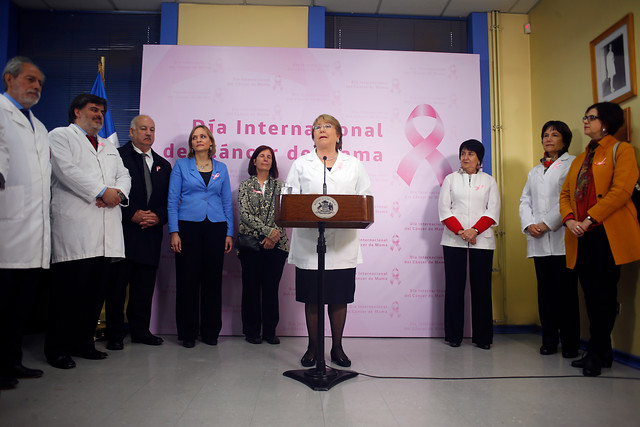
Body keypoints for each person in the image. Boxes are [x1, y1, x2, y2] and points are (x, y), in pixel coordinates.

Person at [45, 94, 131, 369]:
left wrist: (116, 194)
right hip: (75, 231)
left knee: (95, 296)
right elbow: (65, 171)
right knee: (68, 296)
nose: (99, 115)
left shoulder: (107, 145)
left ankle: (84, 343)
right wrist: (101, 191)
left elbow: (124, 175)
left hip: (106, 233)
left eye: (102, 111)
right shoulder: (59, 136)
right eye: (93, 110)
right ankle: (58, 349)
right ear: (76, 112)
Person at [560, 102, 640, 376]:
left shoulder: (622, 150)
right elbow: (566, 195)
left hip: (607, 234)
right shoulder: (581, 159)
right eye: (585, 117)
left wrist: (590, 218)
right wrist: (570, 219)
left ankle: (596, 351)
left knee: (605, 295)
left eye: (591, 118)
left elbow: (621, 191)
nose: (585, 122)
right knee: (590, 295)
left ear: (605, 122)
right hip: (580, 235)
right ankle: (601, 350)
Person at [285, 114, 372, 367]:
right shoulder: (301, 164)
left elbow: (364, 196)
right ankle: (313, 347)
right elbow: (289, 197)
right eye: (317, 127)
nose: (321, 130)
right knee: (312, 297)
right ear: (312, 136)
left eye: (327, 126)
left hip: (343, 241)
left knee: (339, 296)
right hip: (309, 241)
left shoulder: (354, 164)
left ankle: (337, 348)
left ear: (338, 135)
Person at [0, 57, 48, 390]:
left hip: (33, 232)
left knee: (19, 307)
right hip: (6, 229)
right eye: (30, 79)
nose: (36, 87)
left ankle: (12, 362)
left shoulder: (39, 126)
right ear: (9, 79)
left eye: (40, 83)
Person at [105, 115, 171, 351]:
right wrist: (130, 213)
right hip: (123, 233)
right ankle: (114, 333)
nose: (148, 133)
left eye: (152, 129)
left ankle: (141, 331)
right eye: (143, 129)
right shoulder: (117, 157)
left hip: (151, 236)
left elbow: (168, 201)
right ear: (131, 132)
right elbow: (112, 191)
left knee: (144, 287)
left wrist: (159, 217)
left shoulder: (164, 164)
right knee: (117, 287)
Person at [168, 125, 233, 348]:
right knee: (187, 280)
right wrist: (174, 231)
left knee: (212, 281)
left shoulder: (221, 168)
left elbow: (226, 202)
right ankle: (187, 332)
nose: (198, 140)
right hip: (188, 227)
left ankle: (210, 331)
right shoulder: (181, 165)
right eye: (194, 137)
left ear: (211, 142)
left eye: (203, 136)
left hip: (215, 227)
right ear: (191, 144)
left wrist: (229, 232)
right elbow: (172, 199)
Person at [519, 121, 579, 358]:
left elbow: (570, 198)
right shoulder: (535, 170)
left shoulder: (572, 164)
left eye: (554, 134)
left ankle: (571, 344)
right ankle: (549, 341)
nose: (548, 138)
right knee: (545, 294)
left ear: (565, 139)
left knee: (566, 294)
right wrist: (529, 224)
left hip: (561, 237)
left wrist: (547, 224)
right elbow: (525, 200)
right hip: (538, 241)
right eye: (545, 135)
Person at [438, 139, 500, 350]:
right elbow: (445, 210)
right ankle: (453, 336)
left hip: (481, 241)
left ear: (479, 159)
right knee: (454, 288)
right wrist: (461, 232)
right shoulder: (450, 180)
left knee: (481, 289)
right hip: (453, 240)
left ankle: (482, 338)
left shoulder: (489, 181)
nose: (465, 157)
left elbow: (492, 212)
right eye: (463, 153)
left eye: (470, 154)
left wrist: (474, 231)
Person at [237, 146, 289, 345]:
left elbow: (284, 212)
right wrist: (267, 231)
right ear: (254, 161)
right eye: (262, 156)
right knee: (250, 289)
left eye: (269, 157)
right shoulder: (244, 186)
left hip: (277, 245)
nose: (265, 159)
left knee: (271, 289)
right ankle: (251, 331)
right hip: (251, 245)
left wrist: (273, 235)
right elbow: (245, 213)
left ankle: (270, 331)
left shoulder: (282, 187)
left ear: (272, 163)